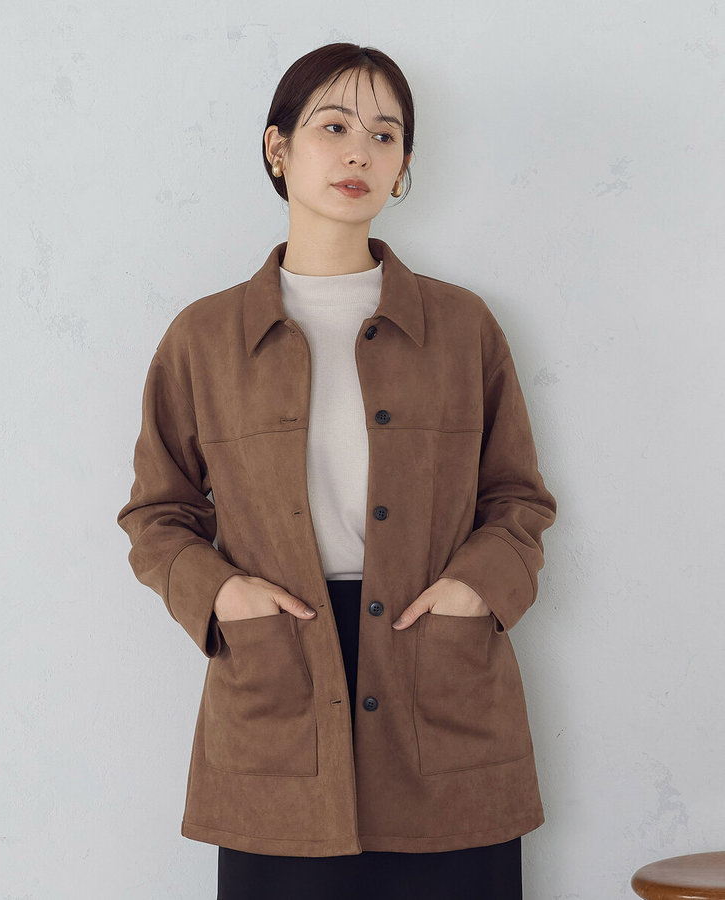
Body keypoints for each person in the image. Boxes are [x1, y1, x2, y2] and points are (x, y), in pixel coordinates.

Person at [117, 42, 557, 900]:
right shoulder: (204, 339)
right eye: (334, 127)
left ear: (403, 166)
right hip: (278, 676)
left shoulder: (462, 327)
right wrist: (223, 596)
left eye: (385, 135)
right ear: (278, 148)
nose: (360, 152)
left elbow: (517, 498)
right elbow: (156, 514)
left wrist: (475, 589)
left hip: (437, 676)